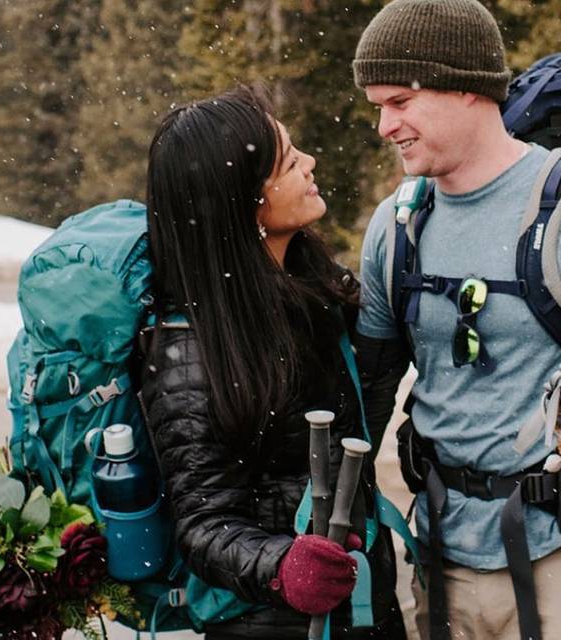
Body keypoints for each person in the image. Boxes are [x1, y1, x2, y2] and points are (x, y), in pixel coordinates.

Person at [351, 1, 561, 639]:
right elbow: (366, 387)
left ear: (468, 86)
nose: (385, 125)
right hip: (439, 551)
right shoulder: (394, 227)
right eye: (376, 107)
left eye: (401, 101)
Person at [140, 86, 406, 639]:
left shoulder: (310, 291)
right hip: (269, 621)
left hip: (360, 607)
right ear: (244, 200)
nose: (310, 163)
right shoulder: (189, 350)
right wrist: (282, 566)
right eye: (289, 161)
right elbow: (203, 522)